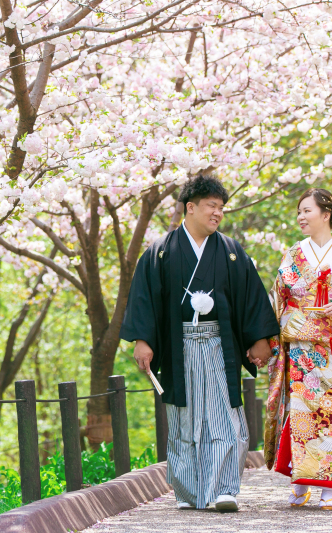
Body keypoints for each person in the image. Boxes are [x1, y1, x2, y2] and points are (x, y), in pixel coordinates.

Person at [120, 175, 280, 512]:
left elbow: (250, 297)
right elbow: (145, 299)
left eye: (221, 208)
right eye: (211, 206)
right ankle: (189, 491)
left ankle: (224, 489)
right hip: (179, 347)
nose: (218, 213)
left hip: (220, 346)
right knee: (183, 417)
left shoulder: (232, 252)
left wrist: (259, 339)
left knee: (225, 415)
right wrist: (142, 340)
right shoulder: (160, 252)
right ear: (190, 208)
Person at [263, 188, 332, 511]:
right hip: (301, 349)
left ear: (326, 215)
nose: (300, 217)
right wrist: (286, 322)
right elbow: (279, 296)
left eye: (306, 211)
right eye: (298, 211)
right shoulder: (294, 254)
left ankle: (329, 488)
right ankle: (300, 481)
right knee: (301, 416)